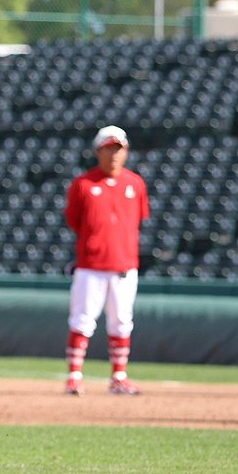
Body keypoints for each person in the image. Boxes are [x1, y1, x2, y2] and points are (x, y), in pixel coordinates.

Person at [62, 125, 150, 396]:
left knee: (122, 321)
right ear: (97, 151)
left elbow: (139, 219)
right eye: (108, 149)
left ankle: (118, 377)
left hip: (124, 265)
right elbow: (74, 221)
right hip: (91, 265)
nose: (113, 154)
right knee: (82, 320)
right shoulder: (83, 184)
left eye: (118, 149)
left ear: (125, 152)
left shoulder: (135, 184)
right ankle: (74, 377)